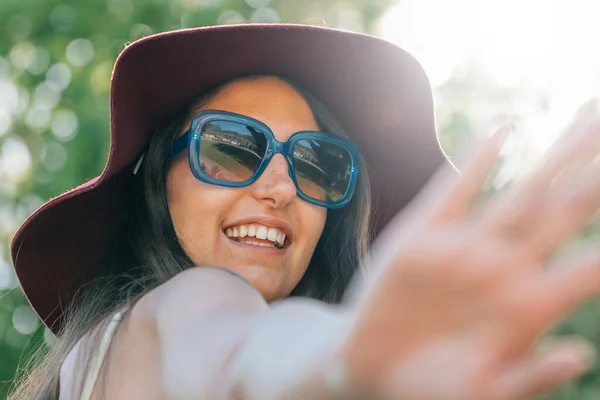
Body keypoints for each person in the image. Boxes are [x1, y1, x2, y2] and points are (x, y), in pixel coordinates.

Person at [8, 23, 600, 400]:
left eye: (318, 164)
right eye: (231, 148)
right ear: (159, 183)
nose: (281, 185)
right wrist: (343, 361)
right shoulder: (191, 302)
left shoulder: (97, 358)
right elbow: (232, 350)